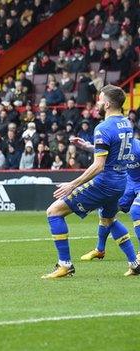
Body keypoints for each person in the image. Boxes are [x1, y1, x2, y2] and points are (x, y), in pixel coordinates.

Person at [43, 85, 140, 279]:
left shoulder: (102, 128)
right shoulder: (127, 124)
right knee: (109, 219)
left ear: (106, 103)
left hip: (104, 183)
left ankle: (65, 264)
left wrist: (73, 184)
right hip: (120, 182)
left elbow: (98, 166)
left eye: (99, 99)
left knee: (53, 212)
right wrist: (90, 146)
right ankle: (134, 263)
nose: (97, 102)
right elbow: (116, 151)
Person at [78, 138, 140, 261]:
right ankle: (100, 250)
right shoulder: (119, 145)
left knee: (136, 211)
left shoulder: (138, 147)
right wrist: (87, 146)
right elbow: (104, 152)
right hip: (129, 182)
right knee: (105, 211)